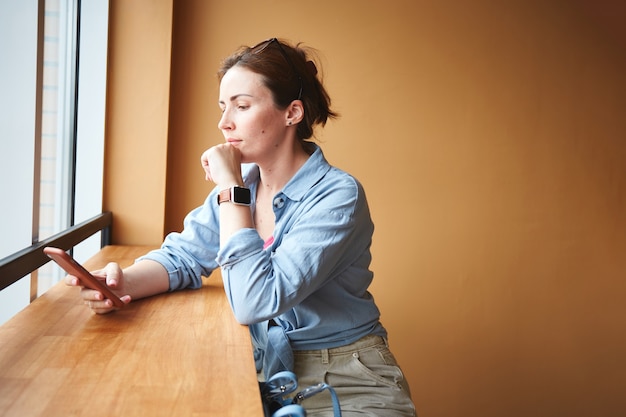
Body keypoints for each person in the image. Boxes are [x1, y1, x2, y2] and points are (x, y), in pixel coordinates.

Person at [66, 37, 416, 416]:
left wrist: (230, 188)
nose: (223, 123)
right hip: (264, 372)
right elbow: (185, 256)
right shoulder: (246, 182)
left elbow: (256, 302)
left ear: (292, 113)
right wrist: (121, 284)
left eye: (242, 106)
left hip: (347, 379)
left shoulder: (337, 196)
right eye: (222, 107)